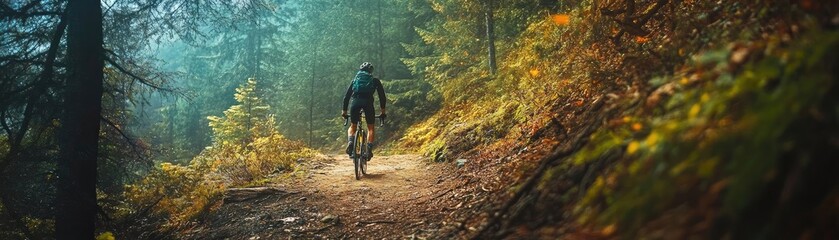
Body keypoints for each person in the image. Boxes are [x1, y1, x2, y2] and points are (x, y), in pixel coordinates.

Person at [342, 62, 387, 159]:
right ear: (371, 72)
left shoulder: (355, 80)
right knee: (370, 128)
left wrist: (344, 111)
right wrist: (383, 112)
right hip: (368, 104)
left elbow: (346, 97)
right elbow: (382, 97)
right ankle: (369, 149)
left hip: (355, 103)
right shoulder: (375, 81)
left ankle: (350, 142)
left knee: (353, 126)